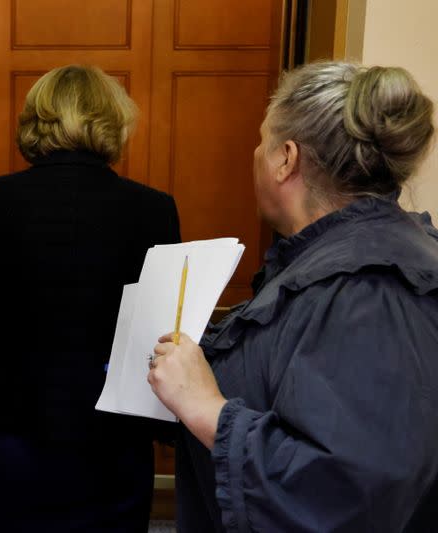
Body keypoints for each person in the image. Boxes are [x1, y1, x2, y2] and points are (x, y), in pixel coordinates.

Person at [147, 61, 438, 532]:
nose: (255, 155)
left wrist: (206, 409)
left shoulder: (370, 289)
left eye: (262, 142)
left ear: (286, 158)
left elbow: (344, 494)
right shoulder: (331, 259)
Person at [0, 64, 180, 532]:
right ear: (112, 122)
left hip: (13, 427)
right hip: (115, 433)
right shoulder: (154, 208)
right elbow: (159, 333)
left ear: (36, 121)